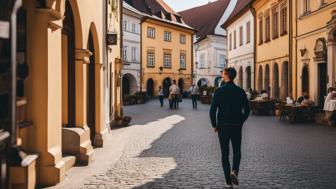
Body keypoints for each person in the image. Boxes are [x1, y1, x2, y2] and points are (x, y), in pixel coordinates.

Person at [210, 67, 251, 188]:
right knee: (237, 151)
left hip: (222, 126)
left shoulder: (219, 91)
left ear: (227, 75)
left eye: (223, 73)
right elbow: (247, 110)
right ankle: (235, 171)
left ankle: (228, 182)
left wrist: (214, 125)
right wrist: (241, 121)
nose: (221, 74)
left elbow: (212, 111)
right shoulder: (240, 91)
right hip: (236, 126)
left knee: (225, 153)